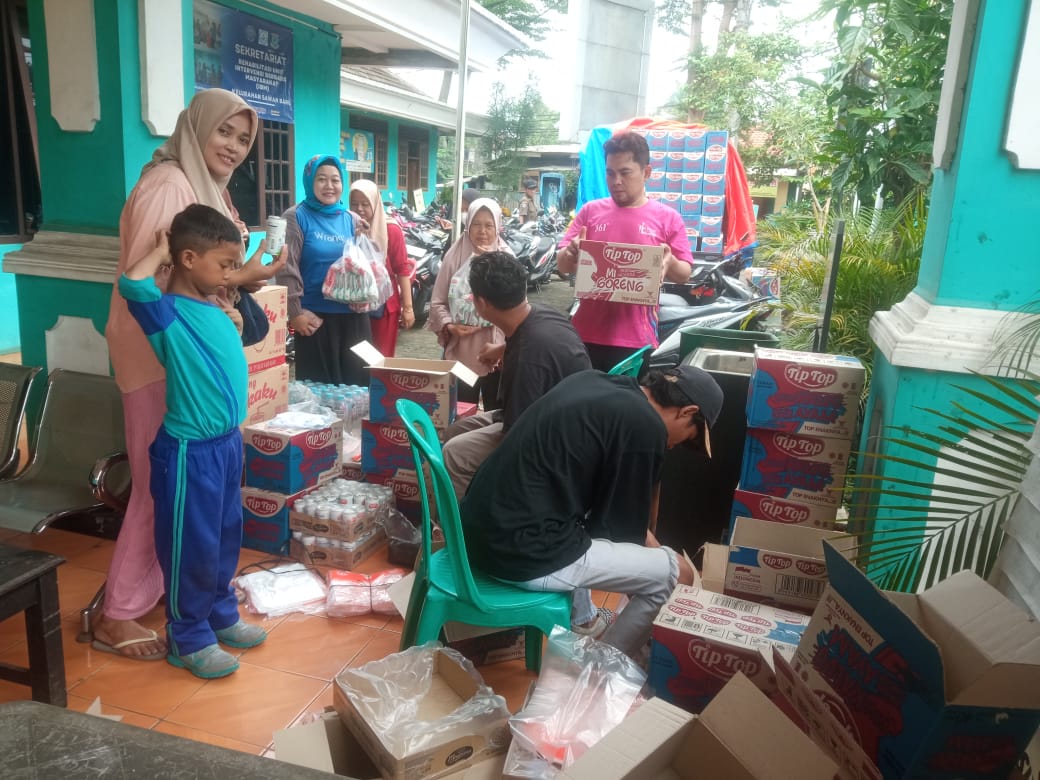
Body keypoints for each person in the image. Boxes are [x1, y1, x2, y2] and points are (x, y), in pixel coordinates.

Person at [100, 88, 278, 661]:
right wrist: (218, 294)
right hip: (163, 361)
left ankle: (204, 605)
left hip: (195, 368)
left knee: (214, 522)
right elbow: (150, 276)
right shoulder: (171, 185)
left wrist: (234, 283)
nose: (233, 145)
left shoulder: (203, 187)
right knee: (166, 499)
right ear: (195, 127)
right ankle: (123, 612)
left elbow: (203, 272)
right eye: (224, 131)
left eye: (244, 138)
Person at [459, 365, 724, 661]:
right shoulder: (645, 426)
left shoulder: (596, 381)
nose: (676, 446)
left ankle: (586, 621)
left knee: (589, 525)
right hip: (520, 552)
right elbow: (619, 534)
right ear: (687, 411)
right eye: (689, 437)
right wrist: (661, 562)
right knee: (675, 575)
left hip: (474, 534)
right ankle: (602, 669)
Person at [120, 204, 267, 679]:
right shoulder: (166, 314)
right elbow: (133, 283)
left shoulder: (213, 308)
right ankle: (187, 636)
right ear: (187, 258)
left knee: (226, 535)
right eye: (224, 265)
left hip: (225, 445)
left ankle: (220, 613)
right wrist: (160, 249)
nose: (231, 274)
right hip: (189, 453)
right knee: (192, 546)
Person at [441, 251, 590, 497]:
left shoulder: (527, 360)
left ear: (481, 303)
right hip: (547, 414)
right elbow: (526, 342)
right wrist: (500, 349)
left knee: (454, 454)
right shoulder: (541, 313)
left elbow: (519, 439)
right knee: (454, 431)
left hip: (551, 438)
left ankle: (466, 528)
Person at [556, 131, 694, 371]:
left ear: (646, 172)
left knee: (624, 408)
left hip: (636, 341)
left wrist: (669, 261)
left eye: (625, 172)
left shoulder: (668, 218)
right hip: (585, 336)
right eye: (610, 173)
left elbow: (685, 274)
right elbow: (562, 265)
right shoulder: (590, 212)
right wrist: (571, 252)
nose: (616, 181)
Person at [277, 155, 370, 385]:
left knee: (357, 387)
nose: (329, 186)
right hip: (314, 320)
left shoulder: (352, 218)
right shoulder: (295, 217)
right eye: (321, 179)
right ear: (309, 181)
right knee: (319, 389)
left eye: (335, 180)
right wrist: (295, 312)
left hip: (354, 317)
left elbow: (362, 265)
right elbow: (286, 268)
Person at [428, 198, 512, 406]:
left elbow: (518, 307)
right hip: (462, 351)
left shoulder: (507, 259)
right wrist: (449, 325)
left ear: (497, 227)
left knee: (496, 413)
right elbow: (437, 302)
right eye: (476, 224)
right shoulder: (454, 256)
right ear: (468, 225)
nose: (482, 231)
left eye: (488, 225)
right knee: (462, 410)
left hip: (498, 351)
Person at [348, 179, 415, 357]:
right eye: (354, 204)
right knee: (356, 361)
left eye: (365, 203)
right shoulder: (346, 226)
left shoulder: (391, 230)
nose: (359, 209)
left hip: (383, 308)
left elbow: (402, 270)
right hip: (352, 304)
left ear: (376, 203)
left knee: (380, 359)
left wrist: (407, 308)